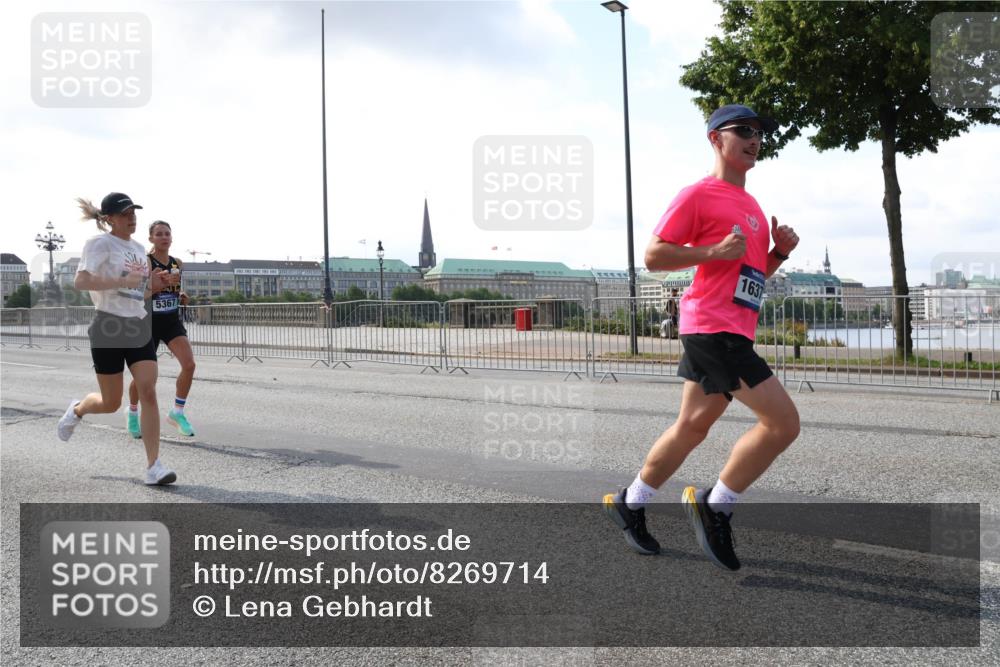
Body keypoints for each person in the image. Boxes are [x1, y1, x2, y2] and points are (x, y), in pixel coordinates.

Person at [603, 105, 800, 570]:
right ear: (716, 138)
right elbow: (653, 256)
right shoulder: (697, 194)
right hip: (713, 330)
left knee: (691, 426)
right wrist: (712, 249)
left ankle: (630, 502)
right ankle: (717, 505)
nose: (754, 139)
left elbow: (749, 278)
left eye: (759, 133)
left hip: (728, 328)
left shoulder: (751, 206)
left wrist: (779, 254)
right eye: (743, 131)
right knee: (783, 424)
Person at [57, 192, 177, 486]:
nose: (132, 217)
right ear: (109, 218)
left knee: (148, 391)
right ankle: (78, 409)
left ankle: (154, 467)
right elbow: (81, 282)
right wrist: (122, 281)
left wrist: (157, 285)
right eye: (125, 213)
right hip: (107, 325)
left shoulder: (138, 249)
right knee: (111, 402)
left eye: (133, 212)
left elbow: (140, 293)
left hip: (137, 324)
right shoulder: (99, 244)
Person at [126, 221, 196, 438]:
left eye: (167, 233)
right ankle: (132, 412)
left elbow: (174, 286)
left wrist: (180, 294)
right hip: (147, 323)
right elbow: (135, 292)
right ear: (151, 239)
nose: (164, 237)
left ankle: (177, 412)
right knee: (144, 378)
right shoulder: (145, 262)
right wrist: (160, 286)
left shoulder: (178, 263)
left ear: (172, 238)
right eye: (159, 234)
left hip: (171, 321)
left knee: (189, 364)